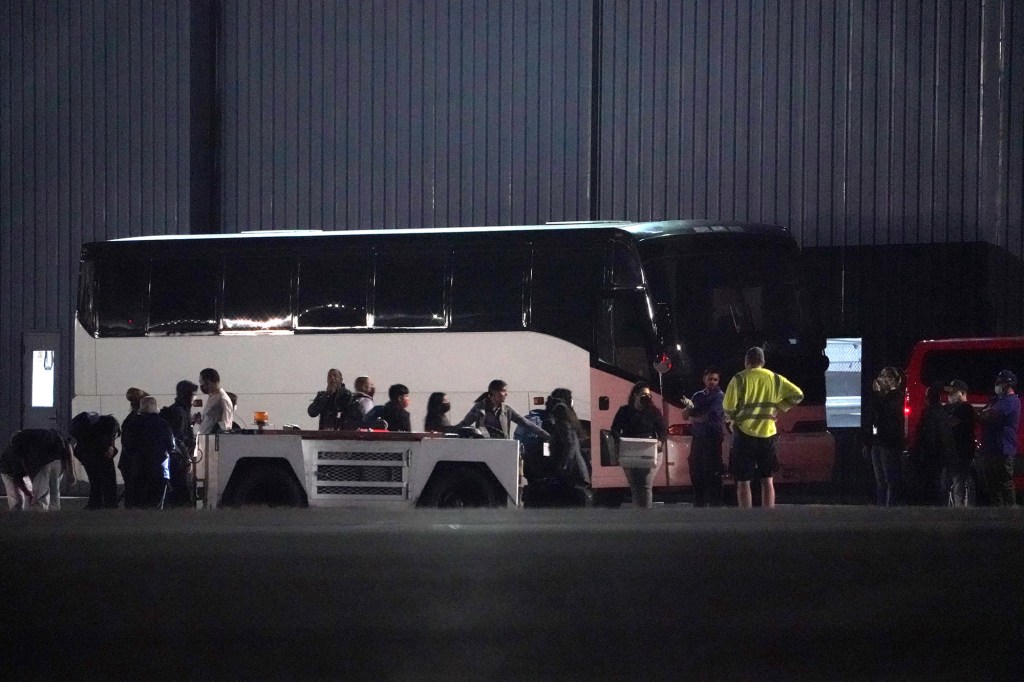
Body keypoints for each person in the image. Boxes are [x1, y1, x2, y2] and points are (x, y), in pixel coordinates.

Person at [723, 347, 804, 508]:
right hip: (768, 435)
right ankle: (769, 517)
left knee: (743, 481)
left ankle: (747, 518)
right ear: (763, 361)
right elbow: (798, 395)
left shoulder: (739, 379)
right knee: (767, 479)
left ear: (747, 361)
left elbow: (728, 407)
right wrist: (779, 407)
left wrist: (733, 420)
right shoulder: (775, 378)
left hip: (744, 436)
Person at [610, 381, 667, 509]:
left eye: (649, 395)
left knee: (646, 483)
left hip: (650, 450)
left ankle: (645, 515)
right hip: (631, 450)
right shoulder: (625, 411)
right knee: (635, 485)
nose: (646, 398)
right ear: (635, 395)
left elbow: (663, 430)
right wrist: (619, 441)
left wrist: (659, 442)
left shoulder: (654, 412)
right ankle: (637, 515)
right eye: (643, 395)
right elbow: (614, 429)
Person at [976, 370, 1020, 507]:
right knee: (992, 485)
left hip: (1003, 449)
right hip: (991, 448)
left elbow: (988, 415)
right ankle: (998, 516)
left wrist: (983, 415)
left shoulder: (1011, 401)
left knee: (1005, 482)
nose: (997, 385)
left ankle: (1011, 515)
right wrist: (982, 415)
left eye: (1000, 382)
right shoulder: (997, 400)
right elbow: (982, 414)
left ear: (1008, 384)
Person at [863, 366, 905, 507]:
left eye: (884, 377)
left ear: (892, 380)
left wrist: (878, 394)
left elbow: (887, 411)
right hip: (878, 443)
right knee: (879, 480)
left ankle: (890, 508)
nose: (881, 380)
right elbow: (875, 421)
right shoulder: (882, 397)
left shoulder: (897, 397)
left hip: (889, 444)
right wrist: (872, 439)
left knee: (889, 479)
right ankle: (880, 509)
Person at [683, 367, 726, 507]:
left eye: (715, 379)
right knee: (695, 469)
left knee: (712, 471)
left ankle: (715, 502)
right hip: (698, 438)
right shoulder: (698, 395)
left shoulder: (719, 396)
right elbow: (685, 415)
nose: (712, 382)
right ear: (704, 379)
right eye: (710, 379)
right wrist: (689, 407)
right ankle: (698, 501)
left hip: (712, 438)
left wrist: (692, 415)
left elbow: (706, 418)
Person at [121, 396, 174, 508]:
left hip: (139, 466)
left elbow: (127, 445)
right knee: (156, 501)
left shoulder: (133, 424)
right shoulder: (164, 424)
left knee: (139, 500)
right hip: (159, 467)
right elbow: (171, 445)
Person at [457, 379, 550, 441]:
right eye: (503, 391)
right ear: (493, 391)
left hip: (503, 447)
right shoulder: (479, 407)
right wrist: (448, 431)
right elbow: (465, 424)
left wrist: (547, 436)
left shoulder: (507, 410)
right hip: (484, 447)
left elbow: (526, 423)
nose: (506, 394)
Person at [912, 382, 955, 505]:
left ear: (927, 399)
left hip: (931, 453)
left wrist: (918, 451)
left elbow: (926, 435)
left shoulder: (928, 413)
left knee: (930, 483)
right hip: (942, 453)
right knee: (940, 482)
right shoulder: (944, 412)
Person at [546, 401, 591, 506]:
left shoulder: (562, 425)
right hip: (576, 473)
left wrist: (564, 465)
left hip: (571, 473)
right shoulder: (570, 426)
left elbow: (569, 446)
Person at [162, 380, 198, 507]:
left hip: (174, 458)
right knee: (182, 494)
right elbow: (179, 437)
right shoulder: (181, 412)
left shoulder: (177, 409)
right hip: (179, 459)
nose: (195, 397)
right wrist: (186, 458)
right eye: (193, 394)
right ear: (187, 395)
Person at [72, 414, 121, 509]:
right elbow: (110, 443)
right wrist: (110, 448)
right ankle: (110, 503)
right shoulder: (110, 424)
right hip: (100, 452)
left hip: (84, 453)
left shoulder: (88, 429)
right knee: (108, 479)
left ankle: (95, 503)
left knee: (94, 480)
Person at [944, 379, 976, 507]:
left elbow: (950, 423)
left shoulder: (966, 408)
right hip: (952, 451)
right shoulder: (951, 408)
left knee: (959, 483)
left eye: (954, 392)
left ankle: (959, 511)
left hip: (962, 451)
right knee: (950, 484)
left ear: (962, 393)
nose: (950, 394)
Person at [119, 387, 149, 507]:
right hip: (135, 461)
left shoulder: (131, 418)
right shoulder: (141, 420)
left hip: (128, 461)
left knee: (131, 491)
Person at [195, 368, 234, 434]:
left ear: (208, 382)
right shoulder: (212, 397)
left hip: (213, 441)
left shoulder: (222, 399)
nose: (202, 387)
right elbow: (211, 421)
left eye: (202, 383)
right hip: (206, 439)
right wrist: (201, 420)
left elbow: (225, 426)